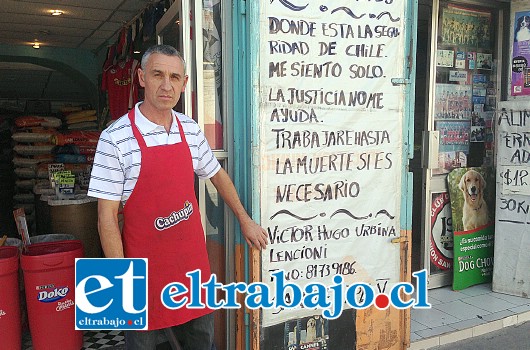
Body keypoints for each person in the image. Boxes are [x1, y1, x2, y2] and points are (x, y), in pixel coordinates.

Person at [88, 44, 268, 350]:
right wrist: (121, 283)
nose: (166, 85)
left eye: (175, 77)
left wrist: (244, 219)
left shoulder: (190, 129)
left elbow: (216, 175)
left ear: (185, 84)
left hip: (191, 268)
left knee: (202, 342)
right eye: (158, 74)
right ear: (142, 77)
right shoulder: (114, 138)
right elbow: (106, 218)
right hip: (142, 273)